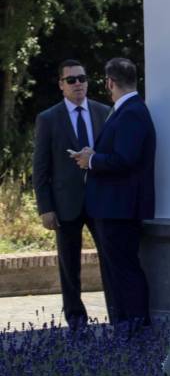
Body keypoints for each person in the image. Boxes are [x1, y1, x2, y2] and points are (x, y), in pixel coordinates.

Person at [73, 57, 156, 326]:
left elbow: (126, 159)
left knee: (123, 272)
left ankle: (133, 330)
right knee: (117, 271)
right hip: (115, 207)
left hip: (119, 208)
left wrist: (92, 161)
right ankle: (124, 328)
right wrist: (94, 155)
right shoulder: (129, 110)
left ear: (110, 82)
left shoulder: (131, 111)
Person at [33, 59, 112, 330]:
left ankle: (117, 316)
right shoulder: (48, 119)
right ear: (61, 85)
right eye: (71, 80)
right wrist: (45, 207)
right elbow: (40, 168)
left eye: (82, 78)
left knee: (110, 260)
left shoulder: (105, 112)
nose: (78, 83)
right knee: (69, 267)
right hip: (65, 204)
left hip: (101, 200)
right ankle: (77, 323)